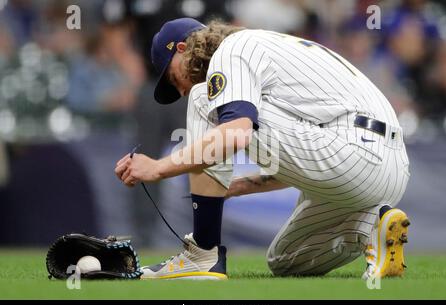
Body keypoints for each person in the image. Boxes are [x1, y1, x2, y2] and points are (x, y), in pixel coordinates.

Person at [114, 18, 411, 280]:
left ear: (182, 48)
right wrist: (245, 184)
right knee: (284, 260)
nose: (180, 91)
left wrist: (157, 167)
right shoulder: (262, 46)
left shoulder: (232, 50)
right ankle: (372, 228)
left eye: (173, 78)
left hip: (354, 150)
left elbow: (237, 134)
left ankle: (203, 254)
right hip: (384, 165)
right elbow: (309, 145)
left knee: (204, 96)